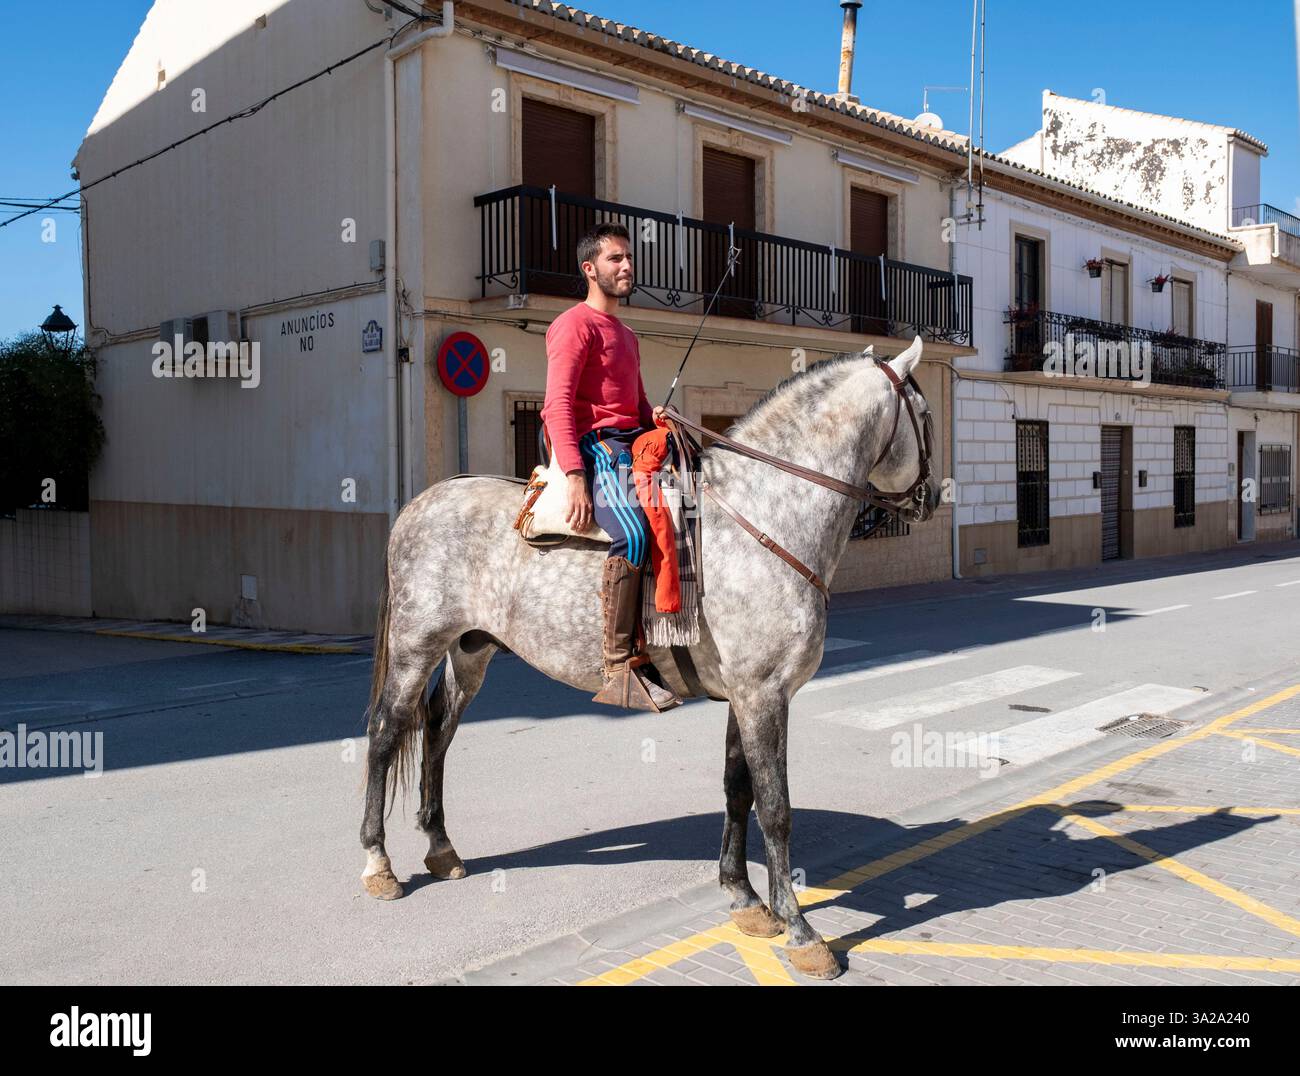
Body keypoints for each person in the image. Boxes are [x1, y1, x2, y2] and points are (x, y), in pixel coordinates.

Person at [539, 222, 681, 712]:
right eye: (615, 259)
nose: (626, 266)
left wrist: (657, 422)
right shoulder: (573, 325)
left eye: (627, 258)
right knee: (635, 535)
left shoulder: (627, 334)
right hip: (596, 447)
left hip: (631, 442)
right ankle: (619, 664)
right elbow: (556, 404)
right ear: (589, 269)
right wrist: (576, 475)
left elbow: (637, 405)